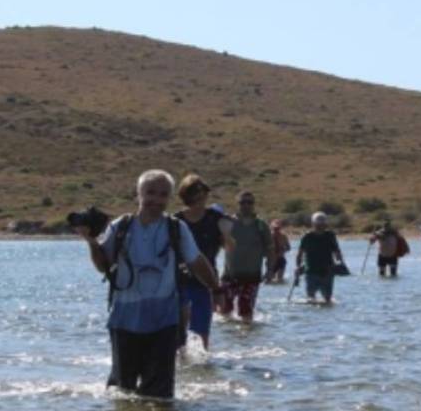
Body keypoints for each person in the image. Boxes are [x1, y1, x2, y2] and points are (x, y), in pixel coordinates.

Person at [76, 169, 222, 399]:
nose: (156, 199)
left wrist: (216, 288)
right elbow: (103, 266)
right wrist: (91, 242)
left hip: (164, 321)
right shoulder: (120, 227)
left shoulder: (176, 228)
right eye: (150, 193)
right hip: (124, 320)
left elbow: (196, 262)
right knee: (122, 391)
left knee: (160, 395)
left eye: (163, 194)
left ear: (170, 198)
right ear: (138, 194)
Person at [174, 174, 234, 350]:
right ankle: (181, 368)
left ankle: (203, 367)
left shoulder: (215, 218)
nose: (201, 196)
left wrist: (227, 234)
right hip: (179, 282)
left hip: (206, 282)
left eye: (203, 192)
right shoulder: (176, 220)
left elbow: (229, 248)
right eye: (195, 192)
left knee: (202, 333)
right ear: (186, 195)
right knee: (179, 335)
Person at [220, 190, 275, 324]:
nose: (246, 205)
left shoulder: (261, 226)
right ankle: (230, 340)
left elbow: (270, 250)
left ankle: (247, 341)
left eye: (249, 202)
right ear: (237, 204)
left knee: (246, 312)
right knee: (224, 312)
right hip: (229, 276)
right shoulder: (228, 222)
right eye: (242, 202)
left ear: (253, 204)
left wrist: (270, 270)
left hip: (251, 277)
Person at [297, 212, 346, 303]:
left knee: (328, 299)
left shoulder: (330, 236)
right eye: (318, 224)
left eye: (322, 224)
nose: (320, 227)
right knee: (311, 298)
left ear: (325, 224)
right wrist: (298, 266)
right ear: (313, 224)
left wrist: (341, 263)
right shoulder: (307, 237)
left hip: (327, 270)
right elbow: (300, 253)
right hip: (311, 270)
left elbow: (336, 250)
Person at [265, 219, 291, 283]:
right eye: (275, 228)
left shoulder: (283, 236)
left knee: (279, 280)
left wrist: (283, 249)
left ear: (280, 228)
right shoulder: (269, 237)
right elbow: (264, 248)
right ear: (272, 228)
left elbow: (288, 248)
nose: (276, 230)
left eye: (278, 228)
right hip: (271, 261)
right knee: (269, 280)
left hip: (280, 259)